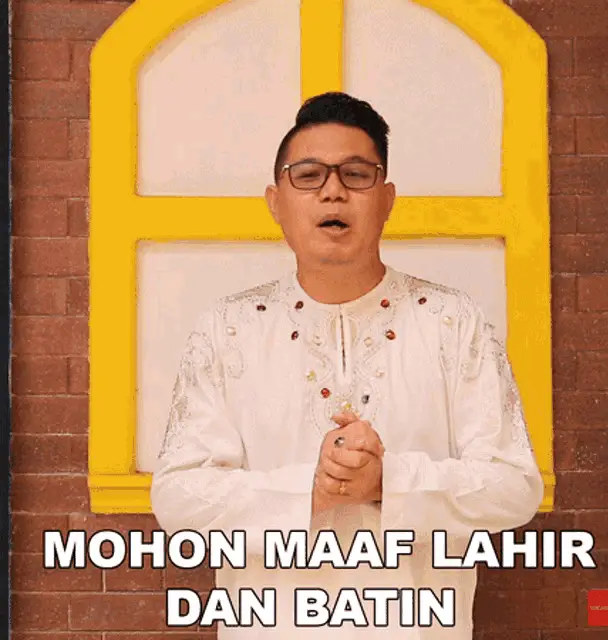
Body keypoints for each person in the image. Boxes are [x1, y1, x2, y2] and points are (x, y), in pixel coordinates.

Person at [151, 92, 544, 638]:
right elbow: (178, 498)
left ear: (387, 199)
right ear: (275, 202)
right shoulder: (227, 329)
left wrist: (390, 482)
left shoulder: (453, 323)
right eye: (308, 175)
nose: (333, 190)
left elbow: (514, 486)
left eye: (356, 174)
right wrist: (310, 491)